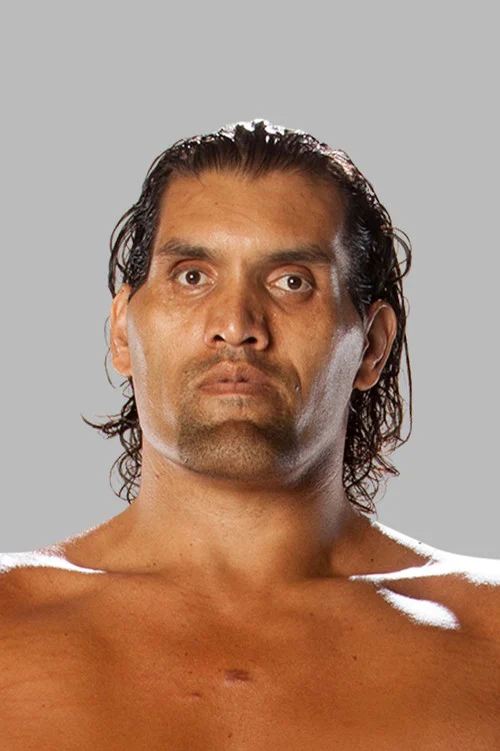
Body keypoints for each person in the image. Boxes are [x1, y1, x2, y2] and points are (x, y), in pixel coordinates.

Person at [1, 120, 499, 749]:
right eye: (192, 276)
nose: (236, 325)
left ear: (372, 345)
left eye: (292, 281)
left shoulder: (488, 635)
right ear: (122, 331)